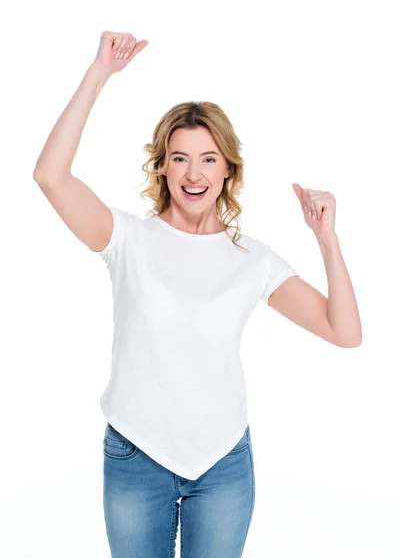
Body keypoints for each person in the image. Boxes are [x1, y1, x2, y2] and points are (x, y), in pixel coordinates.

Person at [33, 31, 362, 557]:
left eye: (209, 159)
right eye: (180, 158)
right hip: (135, 457)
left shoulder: (252, 259)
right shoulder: (126, 240)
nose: (194, 173)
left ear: (228, 167)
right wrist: (99, 74)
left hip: (223, 464)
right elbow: (49, 175)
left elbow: (344, 332)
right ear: (162, 165)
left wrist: (327, 240)